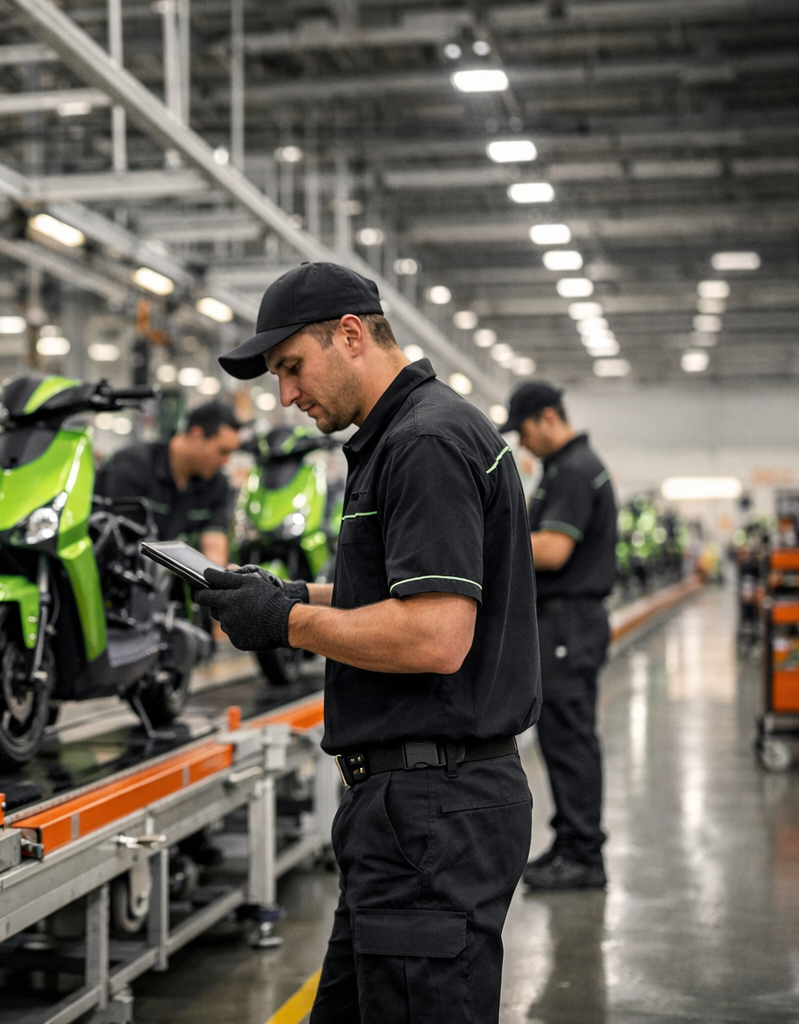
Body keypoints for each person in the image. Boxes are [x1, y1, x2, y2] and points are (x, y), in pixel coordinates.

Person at [195, 262, 540, 1023]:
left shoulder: (424, 443)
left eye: (291, 367)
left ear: (350, 335)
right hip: (408, 813)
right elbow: (404, 596)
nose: (285, 395)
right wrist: (288, 595)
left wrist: (284, 625)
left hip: (431, 812)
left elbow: (435, 635)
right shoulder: (405, 437)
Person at [506, 381, 618, 890]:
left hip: (569, 623)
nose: (524, 444)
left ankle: (584, 856)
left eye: (525, 432)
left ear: (547, 417)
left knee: (570, 739)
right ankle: (571, 841)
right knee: (560, 738)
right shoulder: (565, 468)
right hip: (562, 623)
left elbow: (552, 551)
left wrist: (491, 544)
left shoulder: (575, 469)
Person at [95, 400, 241, 564]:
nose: (226, 461)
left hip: (172, 580)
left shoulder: (217, 485)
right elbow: (117, 542)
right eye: (222, 451)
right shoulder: (131, 467)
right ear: (196, 435)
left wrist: (221, 579)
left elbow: (214, 546)